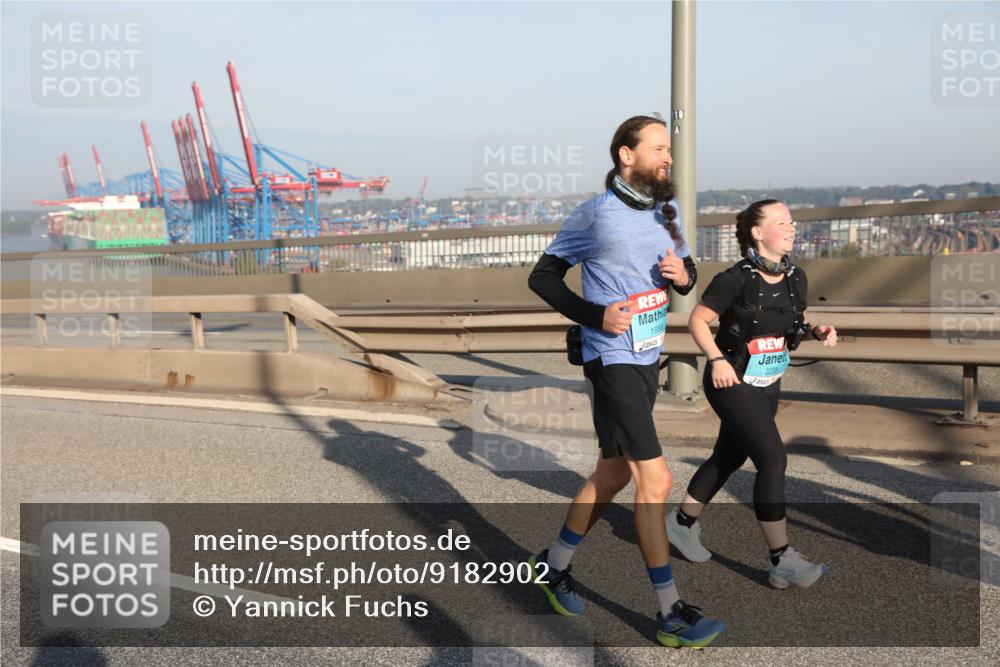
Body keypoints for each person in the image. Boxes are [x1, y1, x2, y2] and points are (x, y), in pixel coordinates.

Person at [526, 115, 726, 649]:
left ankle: (553, 566)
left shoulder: (668, 209)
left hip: (645, 358)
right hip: (609, 359)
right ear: (625, 155)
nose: (668, 158)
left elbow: (687, 269)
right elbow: (542, 277)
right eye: (658, 149)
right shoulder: (595, 216)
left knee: (612, 475)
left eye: (670, 150)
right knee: (654, 482)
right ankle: (670, 615)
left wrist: (684, 276)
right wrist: (594, 315)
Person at [665, 198, 839, 589]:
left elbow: (793, 321)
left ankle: (681, 522)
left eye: (792, 220)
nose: (792, 227)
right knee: (773, 460)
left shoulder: (796, 277)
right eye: (782, 222)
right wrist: (716, 359)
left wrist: (816, 330)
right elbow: (697, 320)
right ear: (758, 233)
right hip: (731, 380)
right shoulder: (735, 278)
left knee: (728, 455)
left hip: (768, 381)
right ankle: (782, 558)